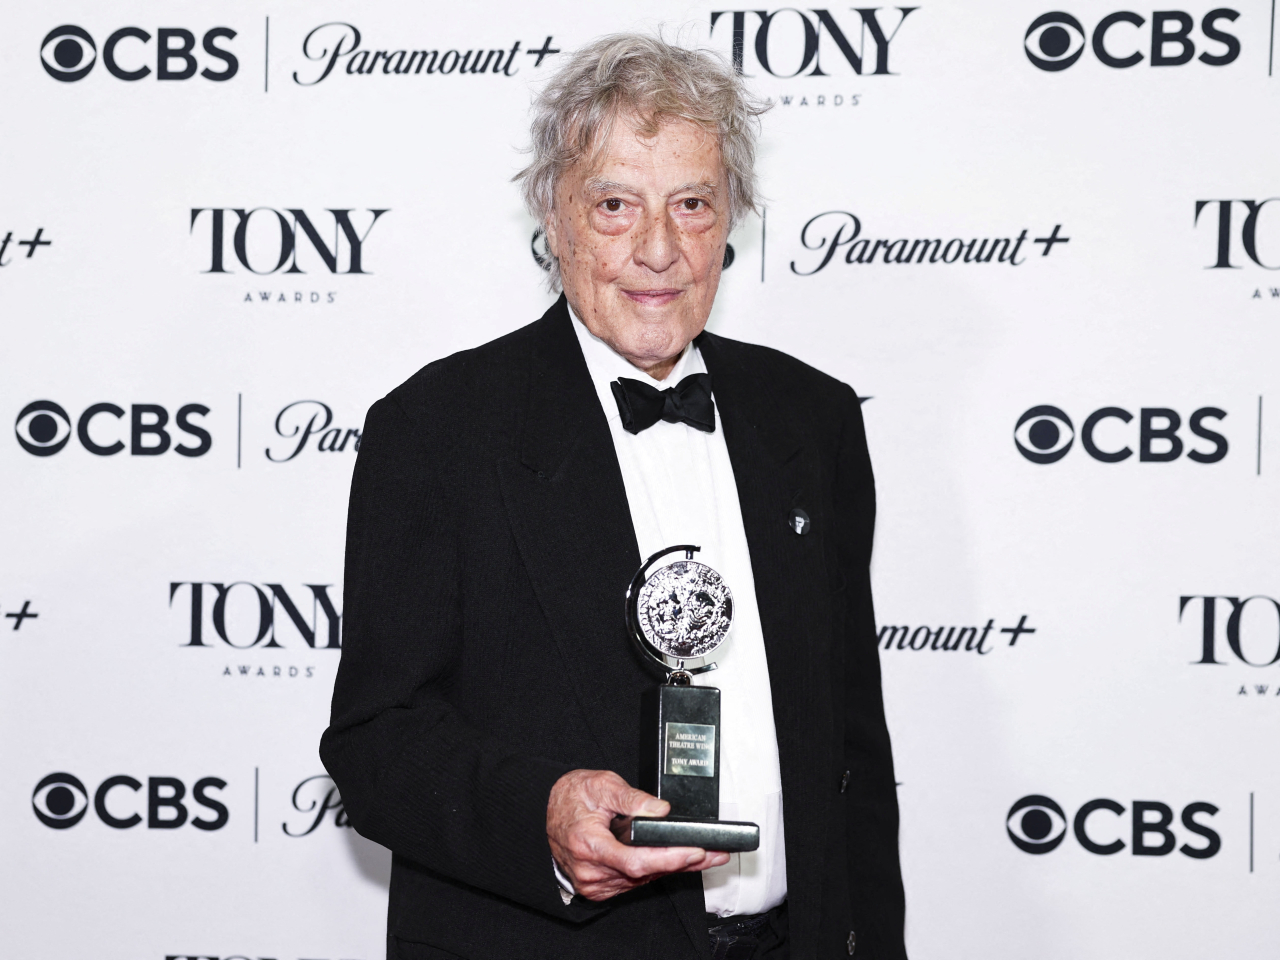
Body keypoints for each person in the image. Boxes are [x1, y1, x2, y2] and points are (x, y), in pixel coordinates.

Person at [321, 33, 907, 960]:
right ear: (553, 217)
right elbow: (375, 740)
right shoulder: (439, 429)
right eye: (615, 205)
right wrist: (542, 813)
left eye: (692, 204)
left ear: (732, 217)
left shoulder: (813, 419)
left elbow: (853, 748)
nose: (659, 250)